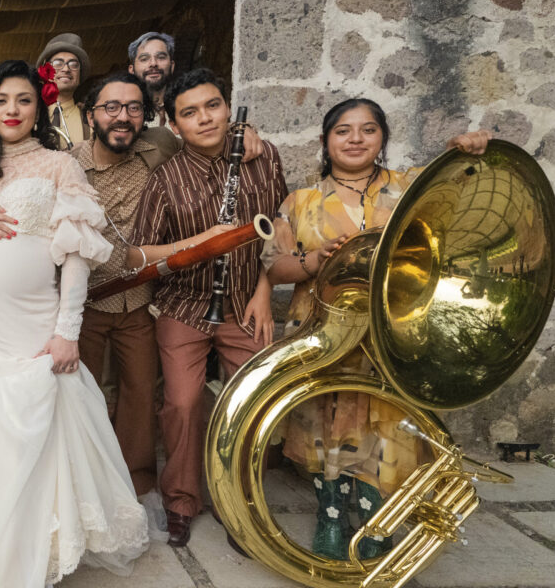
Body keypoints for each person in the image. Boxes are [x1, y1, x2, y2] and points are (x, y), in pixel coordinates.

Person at [0, 60, 149, 588]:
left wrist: (68, 330)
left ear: (38, 108)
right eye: (1, 100)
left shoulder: (60, 166)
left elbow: (79, 256)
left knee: (32, 428)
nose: (11, 110)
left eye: (22, 100)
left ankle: (36, 544)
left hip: (31, 323)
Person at [262, 98, 491, 560]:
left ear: (382, 138)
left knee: (385, 423)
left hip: (393, 330)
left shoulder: (410, 188)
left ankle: (375, 518)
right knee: (329, 421)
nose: (355, 139)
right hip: (326, 329)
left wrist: (468, 149)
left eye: (368, 130)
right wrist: (317, 258)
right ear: (326, 142)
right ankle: (330, 513)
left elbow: (464, 191)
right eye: (343, 131)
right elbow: (274, 268)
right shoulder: (300, 201)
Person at [125, 67, 287, 547]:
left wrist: (264, 289)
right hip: (186, 305)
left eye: (213, 105)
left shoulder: (262, 155)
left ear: (227, 107)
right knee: (181, 402)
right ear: (174, 125)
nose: (205, 119)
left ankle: (240, 501)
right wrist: (201, 241)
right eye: (190, 113)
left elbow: (277, 226)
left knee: (252, 404)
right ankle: (181, 500)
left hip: (246, 299)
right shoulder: (166, 180)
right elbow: (136, 253)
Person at [72, 72, 179, 497]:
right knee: (81, 393)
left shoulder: (160, 150)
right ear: (90, 114)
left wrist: (250, 140)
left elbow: (210, 144)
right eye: (111, 107)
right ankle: (82, 478)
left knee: (140, 392)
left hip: (137, 300)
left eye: (134, 108)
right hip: (83, 302)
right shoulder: (65, 163)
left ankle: (135, 484)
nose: (123, 117)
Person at [35, 33, 91, 149]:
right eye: (58, 63)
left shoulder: (91, 119)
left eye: (74, 64)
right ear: (45, 72)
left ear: (79, 76)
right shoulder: (30, 115)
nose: (66, 69)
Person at [127, 32, 176, 128]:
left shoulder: (186, 107)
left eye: (161, 57)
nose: (153, 63)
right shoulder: (123, 113)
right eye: (144, 59)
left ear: (172, 66)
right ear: (132, 69)